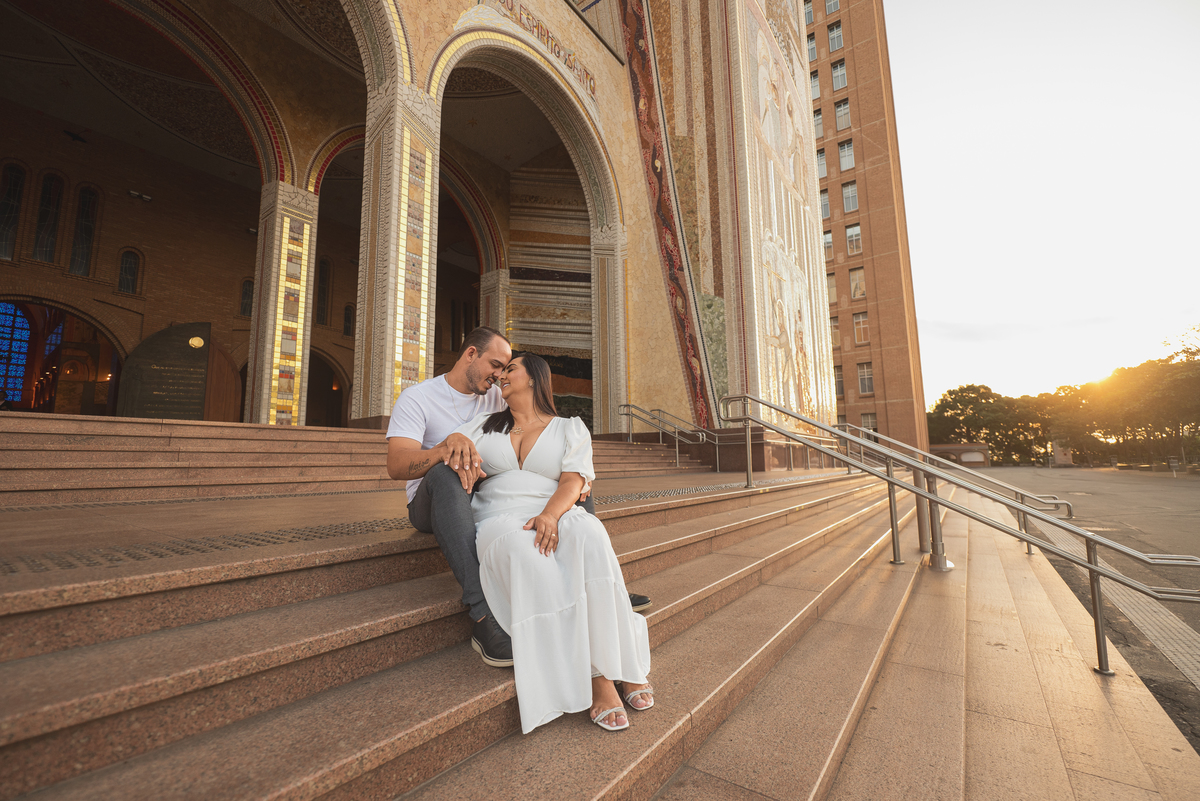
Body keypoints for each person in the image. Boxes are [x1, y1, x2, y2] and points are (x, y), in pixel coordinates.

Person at [386, 327, 650, 668]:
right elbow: (396, 465)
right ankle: (481, 615)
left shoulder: (496, 397)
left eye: (507, 369)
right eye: (496, 365)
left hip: (488, 491)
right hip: (435, 499)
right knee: (443, 473)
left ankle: (601, 581)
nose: (500, 376)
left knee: (577, 480)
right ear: (470, 355)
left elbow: (531, 423)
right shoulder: (418, 397)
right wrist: (443, 450)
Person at [453, 353, 654, 733]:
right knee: (524, 554)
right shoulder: (482, 424)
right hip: (498, 515)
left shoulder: (569, 427)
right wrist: (456, 442)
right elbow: (455, 444)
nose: (502, 376)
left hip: (554, 507)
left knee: (591, 534)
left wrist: (550, 515)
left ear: (534, 379)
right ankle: (598, 677)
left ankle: (620, 664)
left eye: (511, 369)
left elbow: (574, 480)